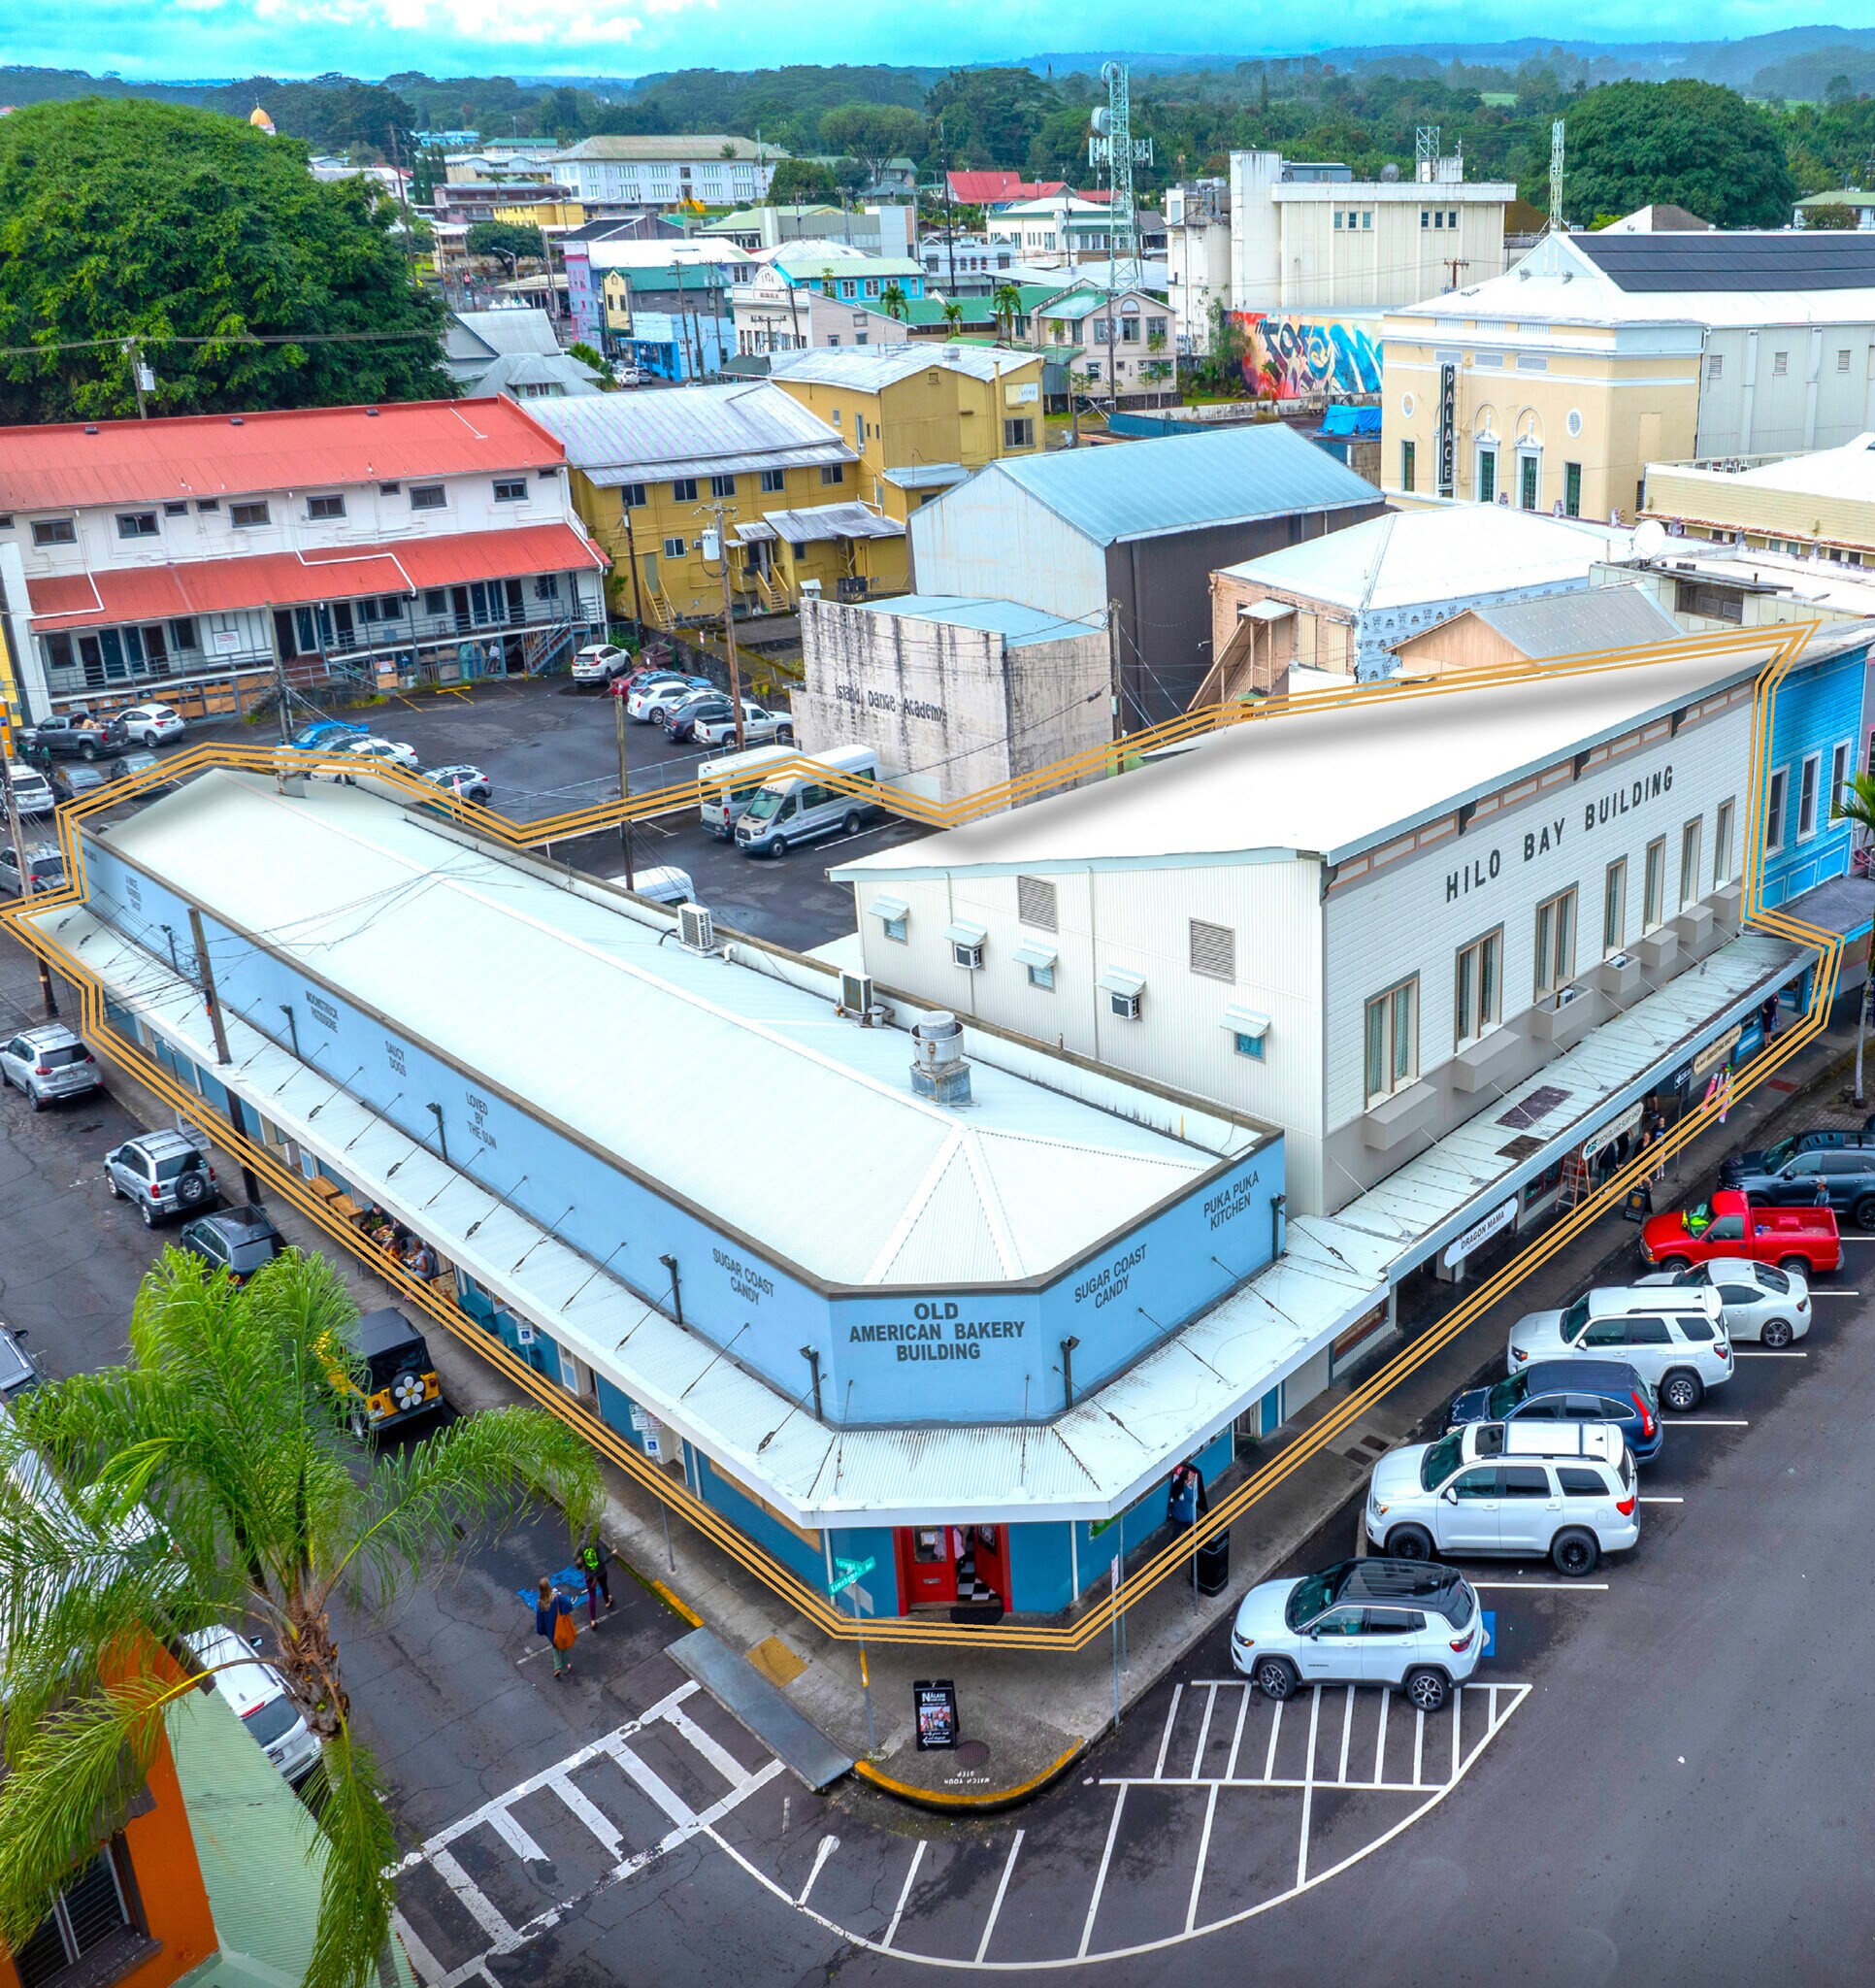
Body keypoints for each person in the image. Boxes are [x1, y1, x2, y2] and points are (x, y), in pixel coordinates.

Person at [535, 1576, 576, 1678]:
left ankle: (557, 1667)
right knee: (563, 1646)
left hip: (550, 1630)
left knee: (555, 1646)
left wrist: (541, 1630)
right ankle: (565, 1665)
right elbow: (568, 1605)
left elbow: (540, 1620)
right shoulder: (557, 1598)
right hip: (559, 1627)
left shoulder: (540, 1603)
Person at [579, 1537, 613, 1624]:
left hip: (589, 1575)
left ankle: (593, 1620)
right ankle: (607, 1601)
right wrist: (613, 1554)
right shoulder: (597, 1544)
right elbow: (604, 1559)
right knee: (604, 1586)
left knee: (591, 1595)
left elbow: (575, 1557)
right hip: (601, 1572)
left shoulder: (582, 1544)